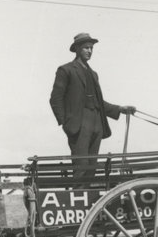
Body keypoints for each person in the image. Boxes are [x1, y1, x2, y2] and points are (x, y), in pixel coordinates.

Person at [49, 32, 136, 179]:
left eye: (91, 48)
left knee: (92, 167)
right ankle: (78, 196)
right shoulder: (66, 70)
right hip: (79, 124)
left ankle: (88, 199)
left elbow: (98, 102)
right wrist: (66, 122)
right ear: (77, 49)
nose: (89, 51)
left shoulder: (93, 74)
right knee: (81, 166)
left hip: (97, 123)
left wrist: (120, 109)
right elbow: (55, 99)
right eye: (86, 48)